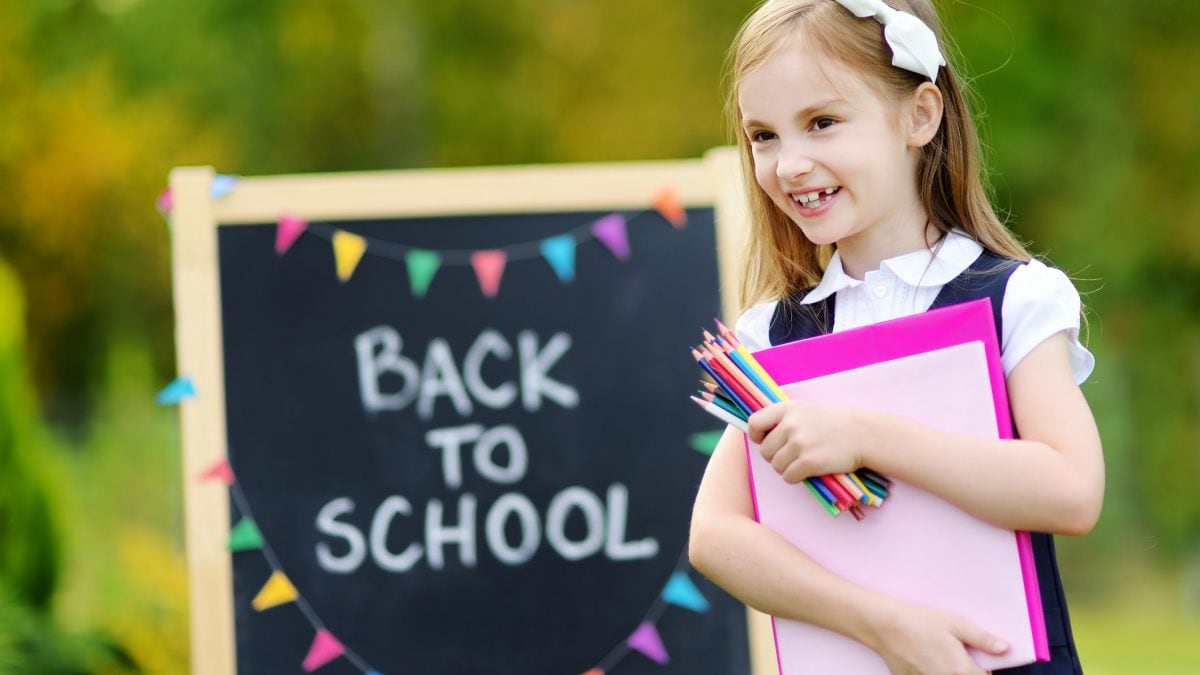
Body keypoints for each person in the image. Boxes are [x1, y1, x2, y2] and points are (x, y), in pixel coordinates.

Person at [687, 1, 1104, 674]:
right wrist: (884, 626)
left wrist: (866, 435)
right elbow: (715, 534)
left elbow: (1071, 488)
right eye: (763, 136)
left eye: (822, 123)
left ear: (920, 115)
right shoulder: (771, 335)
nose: (790, 163)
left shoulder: (1013, 297)